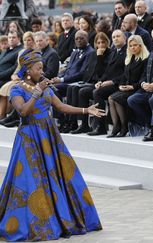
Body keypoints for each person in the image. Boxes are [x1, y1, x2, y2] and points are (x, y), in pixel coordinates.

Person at [0, 49, 103, 241]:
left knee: (60, 175)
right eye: (39, 68)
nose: (42, 71)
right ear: (28, 70)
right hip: (29, 138)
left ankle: (63, 217)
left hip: (49, 136)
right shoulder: (17, 89)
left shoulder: (46, 87)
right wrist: (37, 91)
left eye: (42, 68)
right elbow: (23, 111)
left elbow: (61, 107)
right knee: (32, 180)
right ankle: (37, 222)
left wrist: (85, 109)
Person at [67, 32, 112, 134]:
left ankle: (100, 126)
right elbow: (92, 71)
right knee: (77, 89)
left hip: (106, 82)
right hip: (94, 82)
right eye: (98, 43)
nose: (100, 45)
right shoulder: (94, 54)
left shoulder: (110, 53)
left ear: (107, 43)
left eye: (103, 42)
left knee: (89, 92)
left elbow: (105, 72)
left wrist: (100, 57)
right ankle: (82, 124)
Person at [86, 30, 128, 136]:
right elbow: (107, 71)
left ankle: (101, 126)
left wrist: (112, 81)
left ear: (124, 38)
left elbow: (126, 72)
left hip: (120, 83)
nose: (116, 39)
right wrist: (101, 81)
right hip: (110, 82)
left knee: (97, 93)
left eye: (118, 36)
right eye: (114, 37)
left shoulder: (127, 51)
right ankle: (100, 125)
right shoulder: (114, 51)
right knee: (96, 90)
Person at [108, 35, 149, 138]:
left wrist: (132, 87)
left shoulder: (145, 59)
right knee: (110, 98)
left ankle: (124, 126)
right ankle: (117, 125)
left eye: (135, 45)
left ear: (140, 46)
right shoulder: (130, 58)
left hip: (138, 88)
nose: (132, 48)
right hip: (128, 88)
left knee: (116, 98)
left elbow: (144, 78)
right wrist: (121, 86)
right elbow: (124, 75)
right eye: (130, 46)